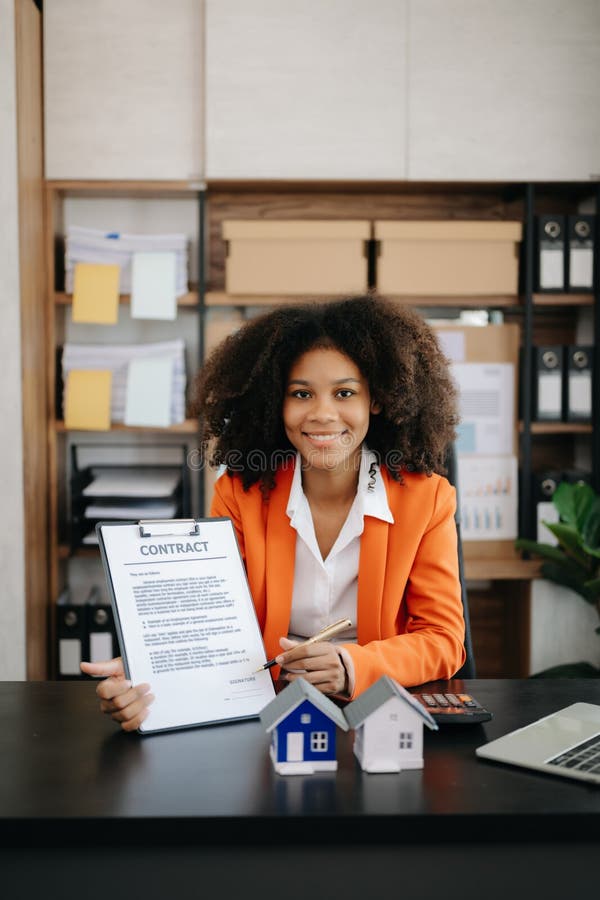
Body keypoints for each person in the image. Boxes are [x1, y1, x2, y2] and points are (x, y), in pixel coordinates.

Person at [82, 294, 465, 731]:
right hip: (262, 711)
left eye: (344, 393)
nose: (322, 414)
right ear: (274, 403)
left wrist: (352, 664)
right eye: (301, 394)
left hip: (379, 712)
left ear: (375, 401)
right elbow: (212, 622)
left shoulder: (427, 499)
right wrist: (152, 671)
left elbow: (443, 640)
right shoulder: (239, 495)